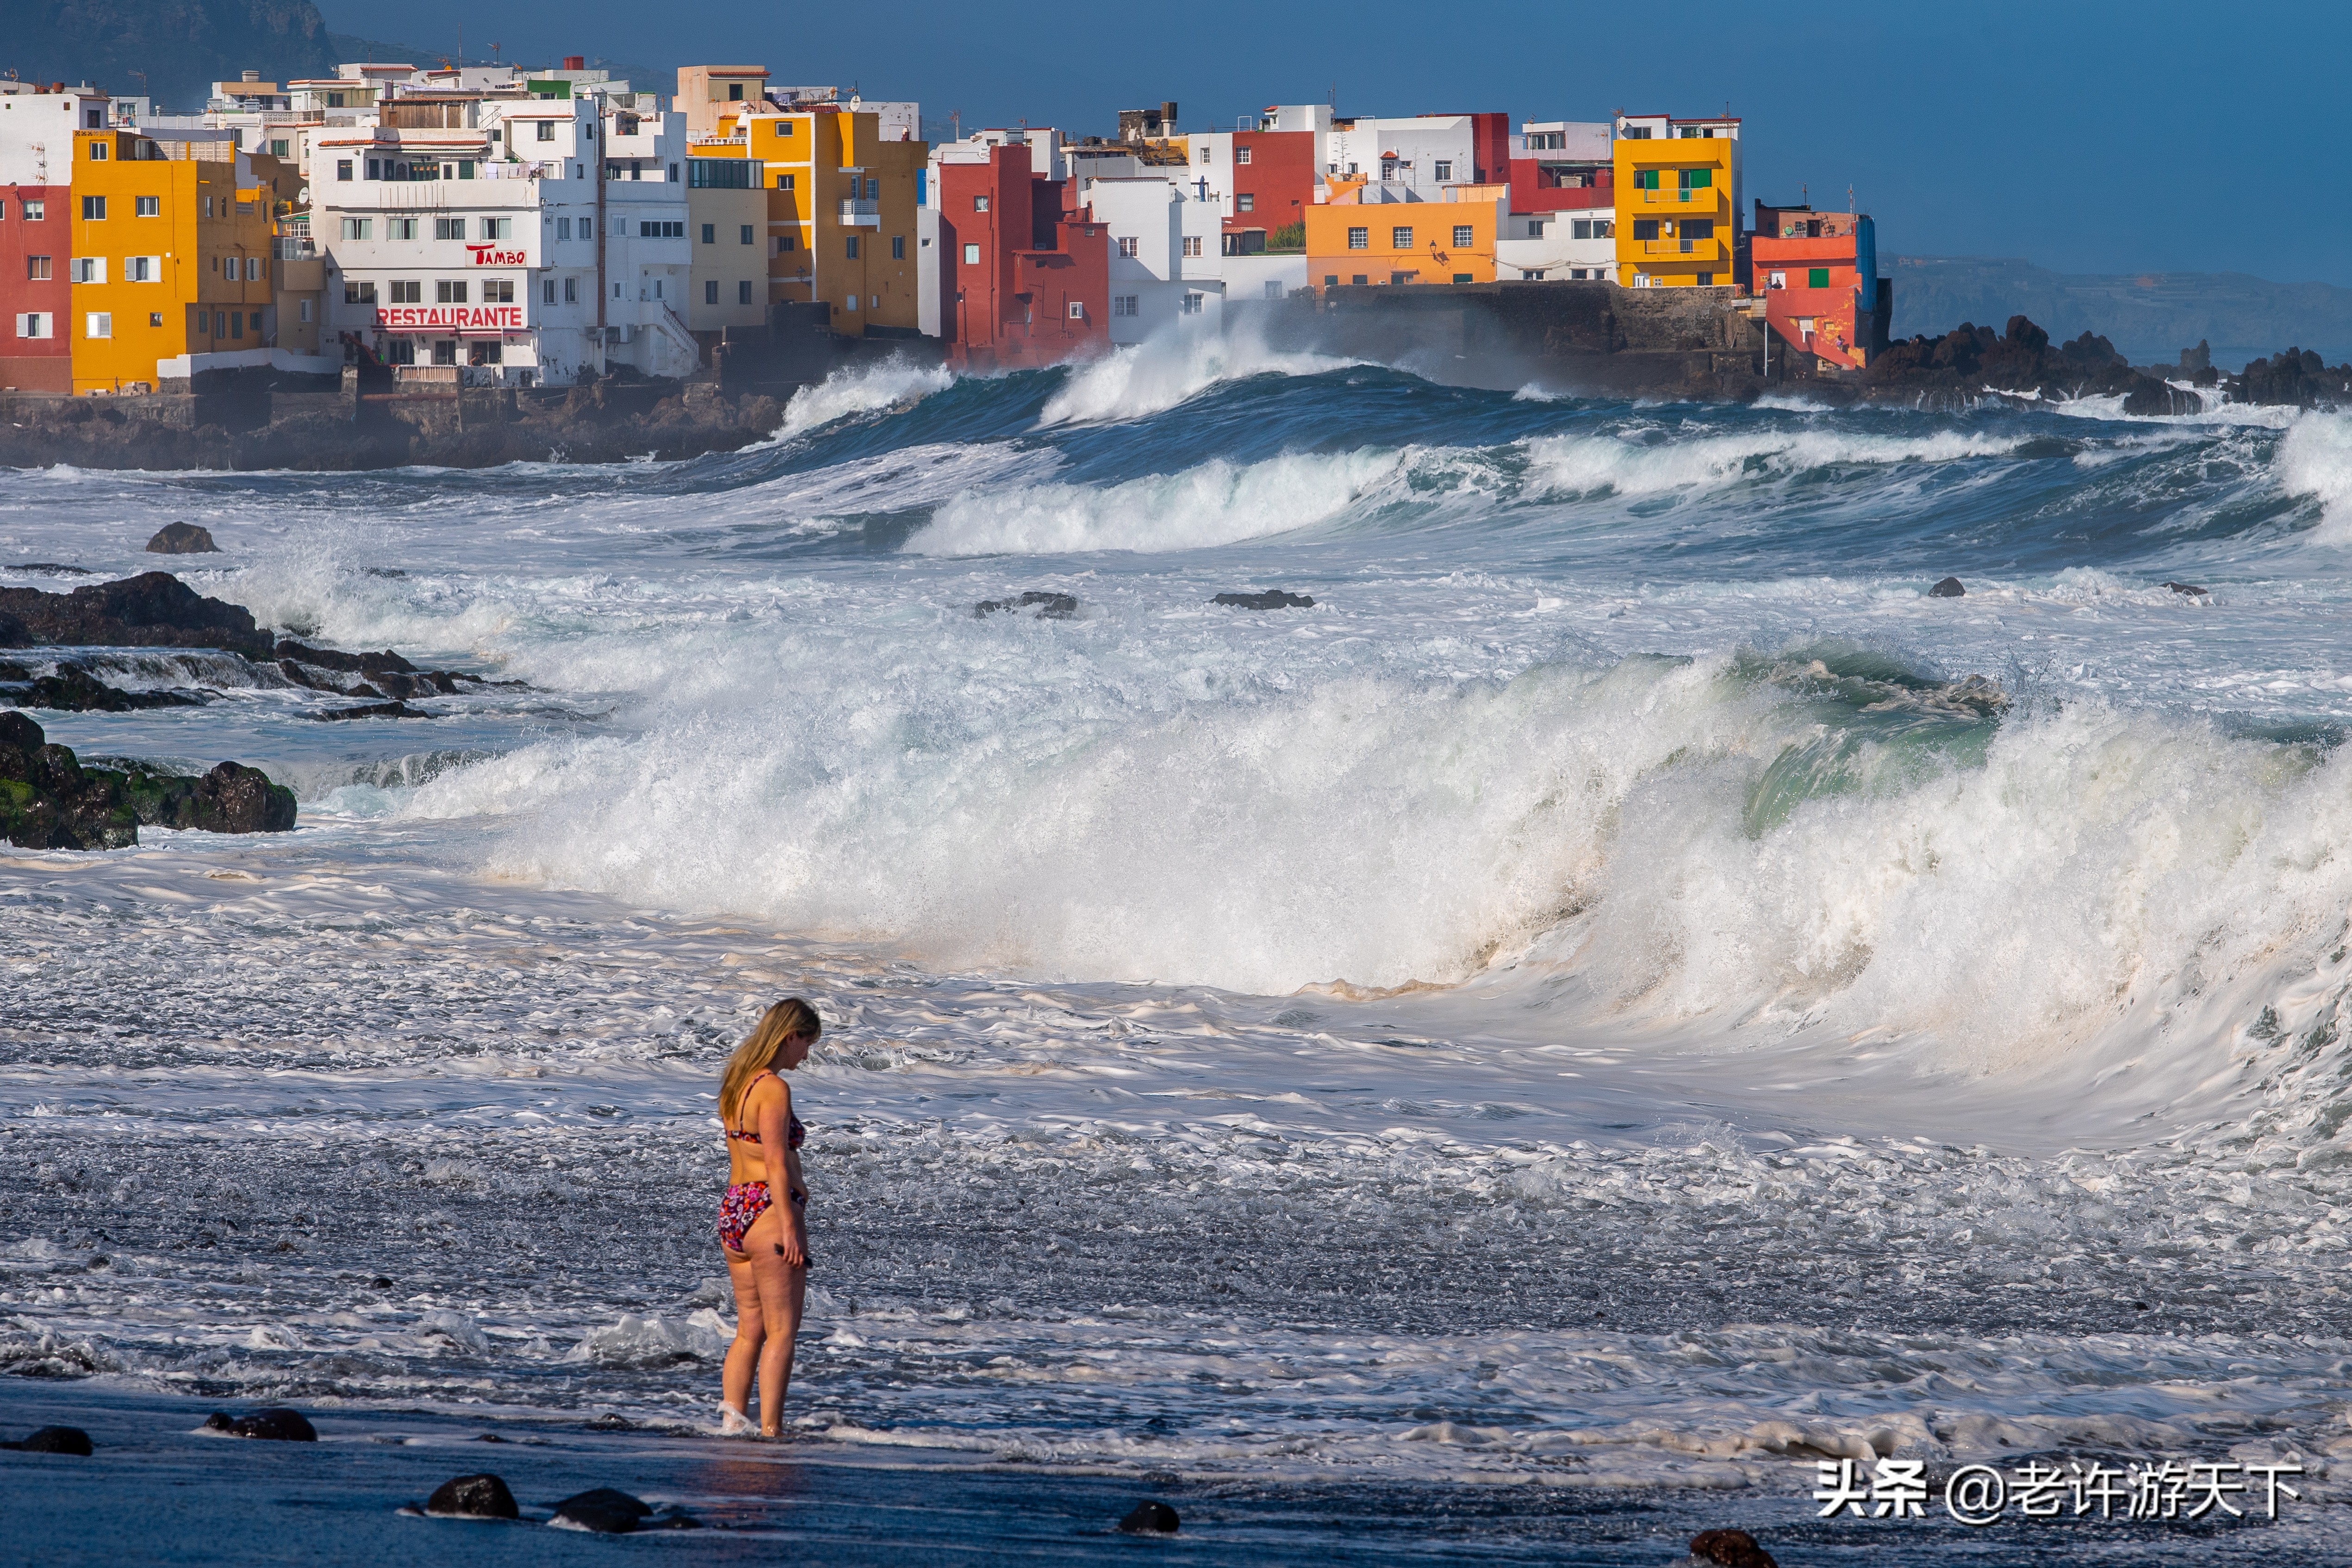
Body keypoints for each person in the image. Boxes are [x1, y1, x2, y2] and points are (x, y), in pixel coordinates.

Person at [715, 997, 820, 1437]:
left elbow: (756, 1148)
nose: (807, 1054)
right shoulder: (775, 1088)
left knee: (748, 1331)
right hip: (767, 1213)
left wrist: (799, 1180)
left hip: (735, 1209)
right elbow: (776, 1161)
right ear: (789, 1036)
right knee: (781, 1333)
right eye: (807, 1043)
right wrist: (792, 1227)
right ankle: (772, 1432)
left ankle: (731, 1426)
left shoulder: (738, 1081)